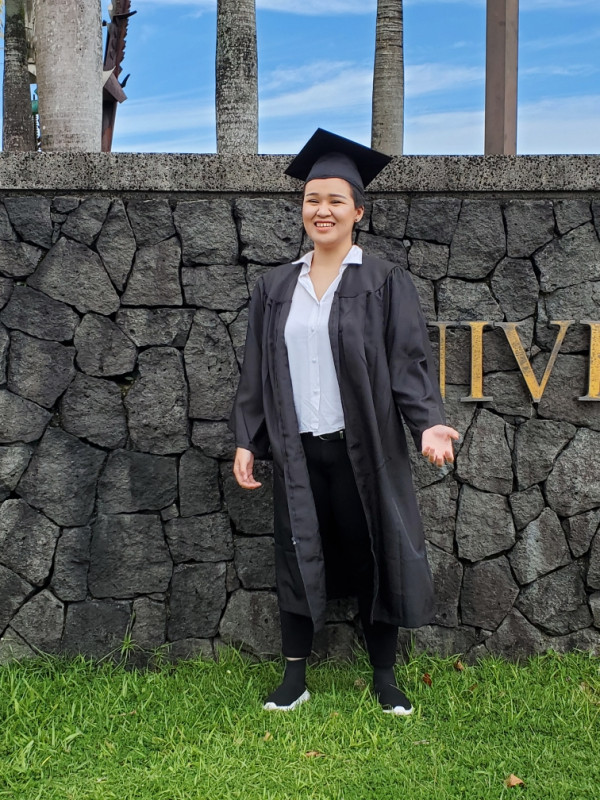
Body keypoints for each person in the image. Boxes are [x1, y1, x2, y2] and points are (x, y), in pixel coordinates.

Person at [229, 129, 459, 716]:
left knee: (371, 555)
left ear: (358, 210)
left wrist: (428, 423)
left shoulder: (383, 281)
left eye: (335, 200)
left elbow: (409, 361)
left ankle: (384, 676)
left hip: (366, 449)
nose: (321, 210)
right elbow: (257, 370)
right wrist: (248, 440)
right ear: (301, 209)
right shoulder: (276, 286)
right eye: (312, 199)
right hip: (298, 450)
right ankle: (294, 677)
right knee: (296, 551)